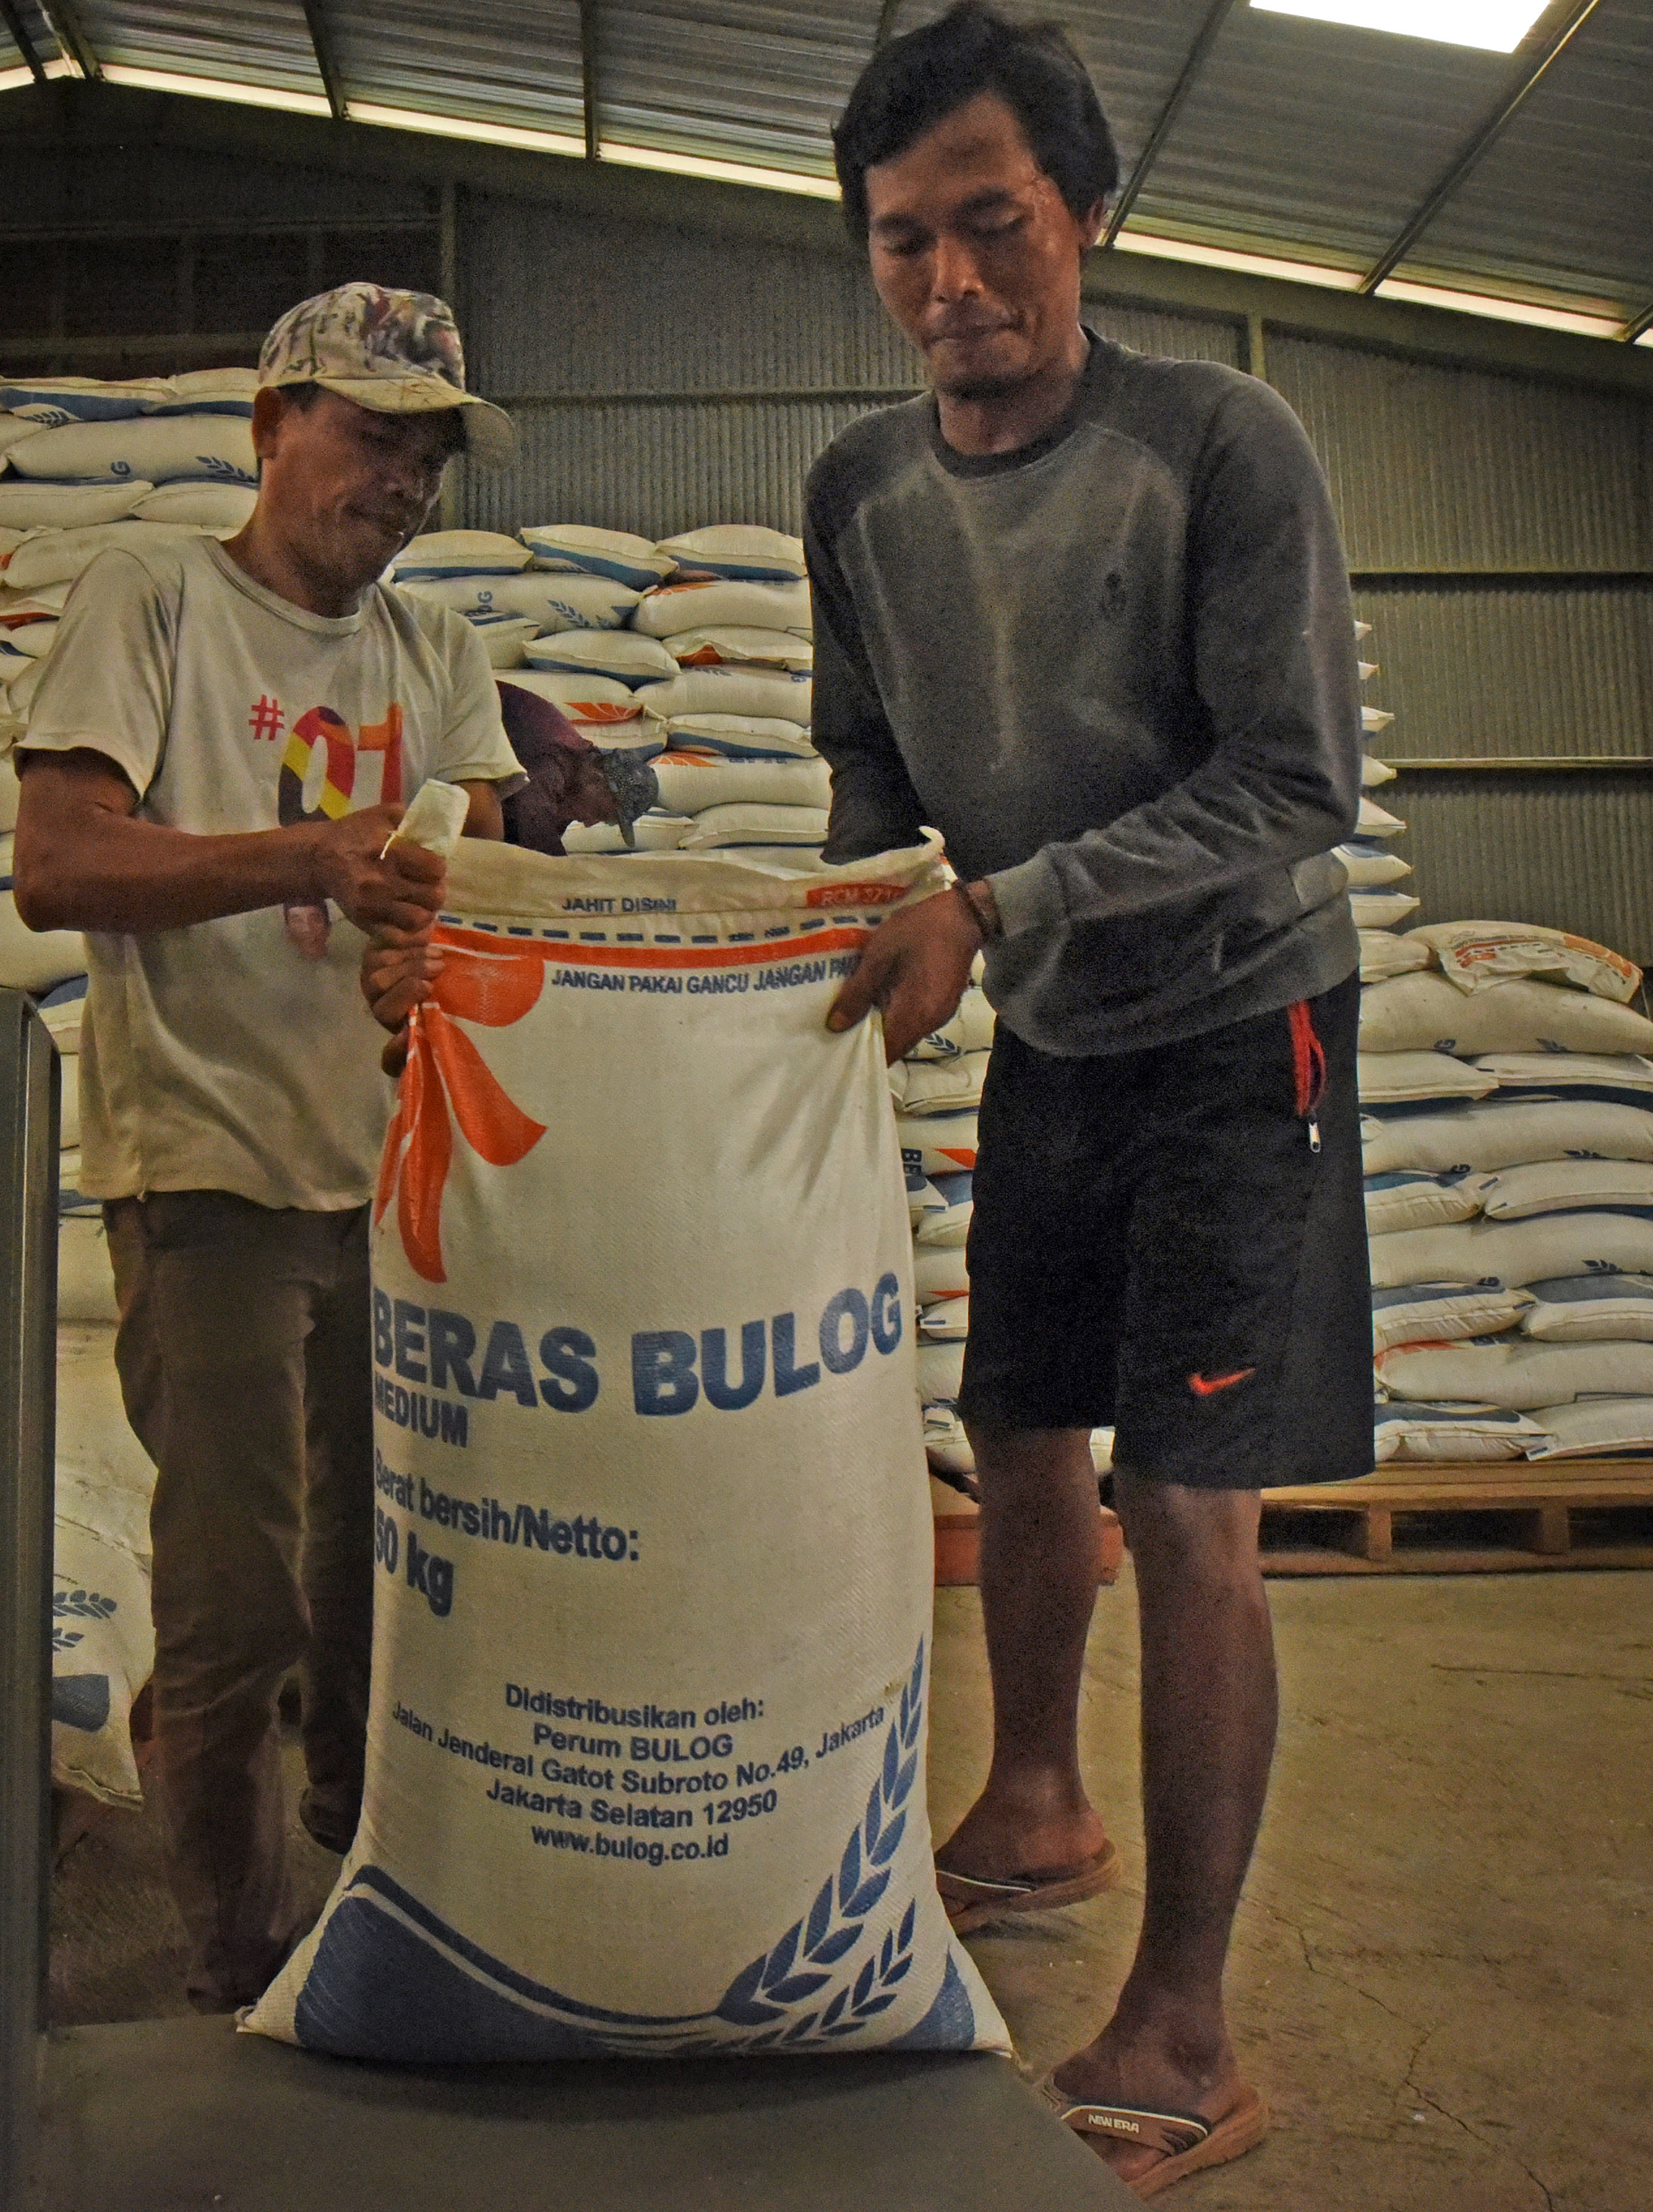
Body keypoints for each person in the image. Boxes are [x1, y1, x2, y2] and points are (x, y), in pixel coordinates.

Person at [812, 4, 1369, 2194]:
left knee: (1188, 1505)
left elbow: (1299, 779)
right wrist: (866, 908)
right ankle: (1032, 1800)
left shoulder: (1220, 443)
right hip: (1053, 1028)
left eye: (991, 225)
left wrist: (1003, 901)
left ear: (1086, 219)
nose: (950, 281)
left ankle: (1188, 2017)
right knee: (1018, 1435)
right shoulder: (858, 487)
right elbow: (871, 750)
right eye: (900, 241)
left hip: (1244, 1028)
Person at [11, 283, 525, 2012]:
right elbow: (58, 862)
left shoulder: (435, 654)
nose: (401, 482)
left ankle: (358, 1892)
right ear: (269, 425)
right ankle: (233, 1965)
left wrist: (438, 918)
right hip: (209, 1173)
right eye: (371, 436)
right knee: (237, 1607)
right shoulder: (153, 600)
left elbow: (468, 878)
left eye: (429, 455)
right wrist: (309, 859)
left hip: (396, 1185)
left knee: (392, 1592)